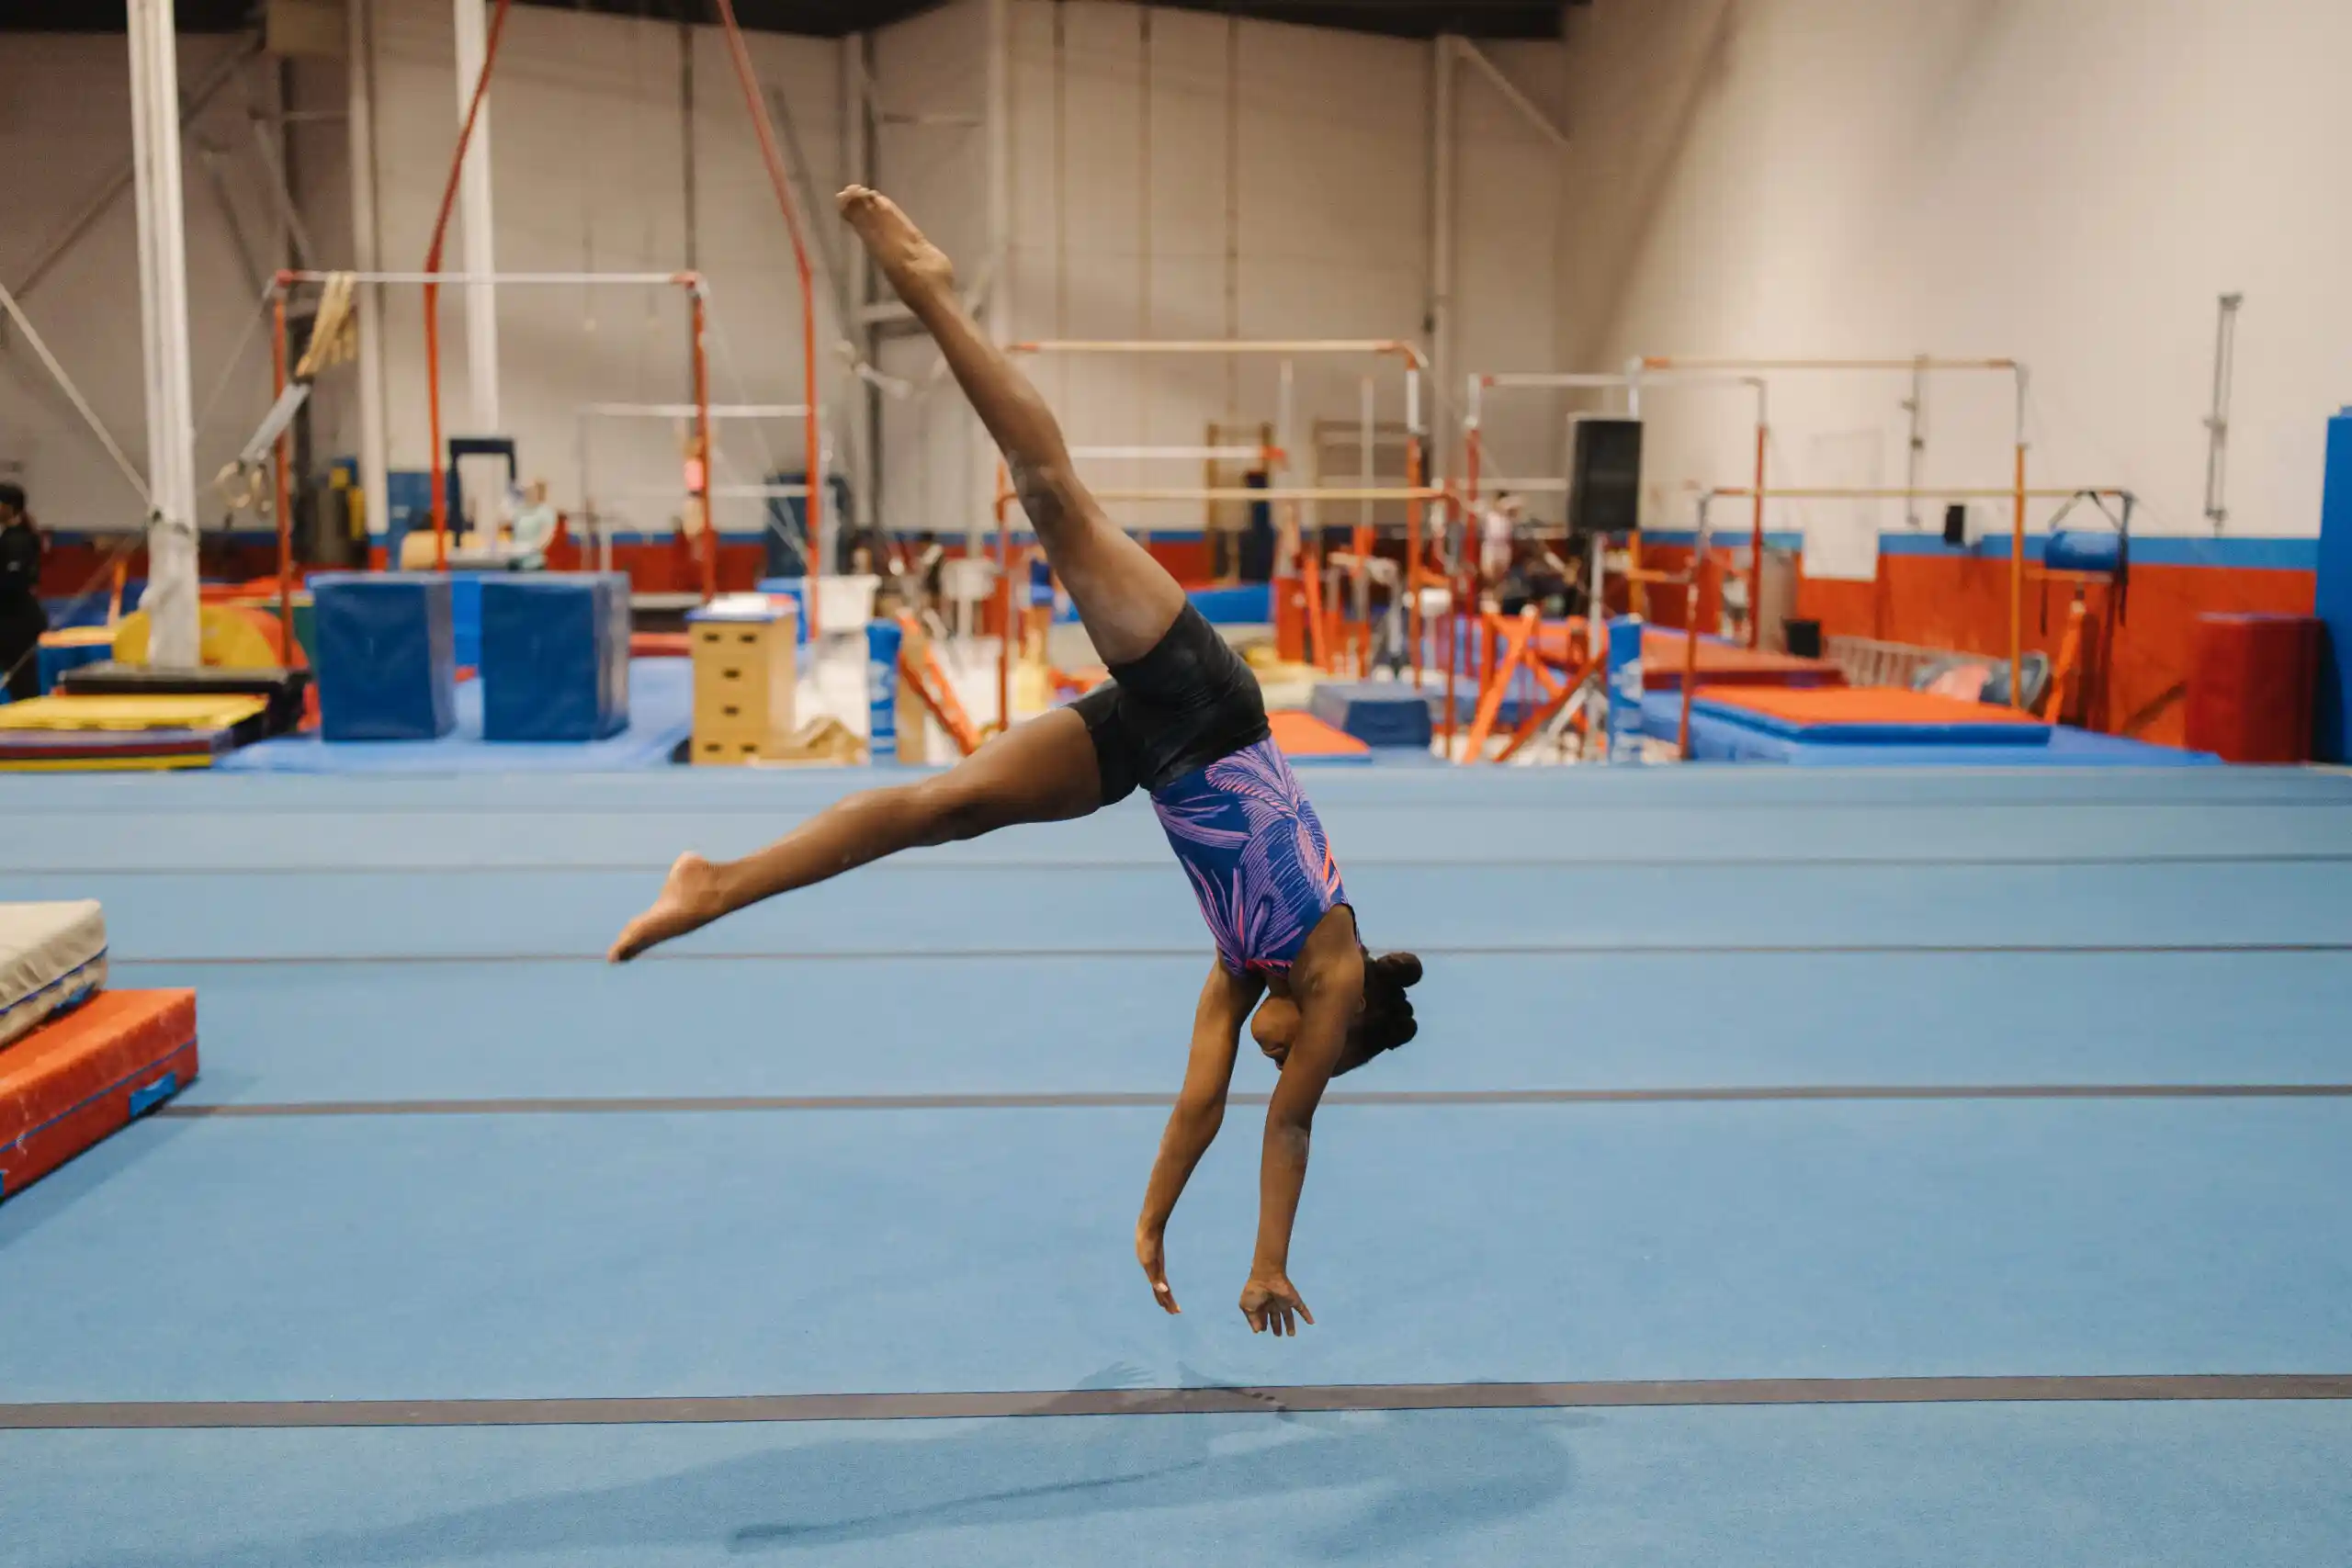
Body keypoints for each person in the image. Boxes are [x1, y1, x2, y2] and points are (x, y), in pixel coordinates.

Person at [610, 188, 1423, 1337]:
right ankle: (932, 291)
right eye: (1308, 1059)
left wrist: (1148, 1225)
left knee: (943, 807)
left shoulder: (1248, 970)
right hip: (1206, 702)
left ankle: (717, 883)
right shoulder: (1326, 975)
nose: (1281, 1061)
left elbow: (1200, 1107)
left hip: (1151, 754)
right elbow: (1281, 1127)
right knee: (1054, 500)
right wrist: (1266, 1263)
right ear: (1338, 1040)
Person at [0, 484, 47, 704]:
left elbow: (14, 584)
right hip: (11, 619)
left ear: (9, 507)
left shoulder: (19, 541)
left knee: (22, 683)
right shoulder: (9, 537)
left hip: (16, 622)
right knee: (18, 682)